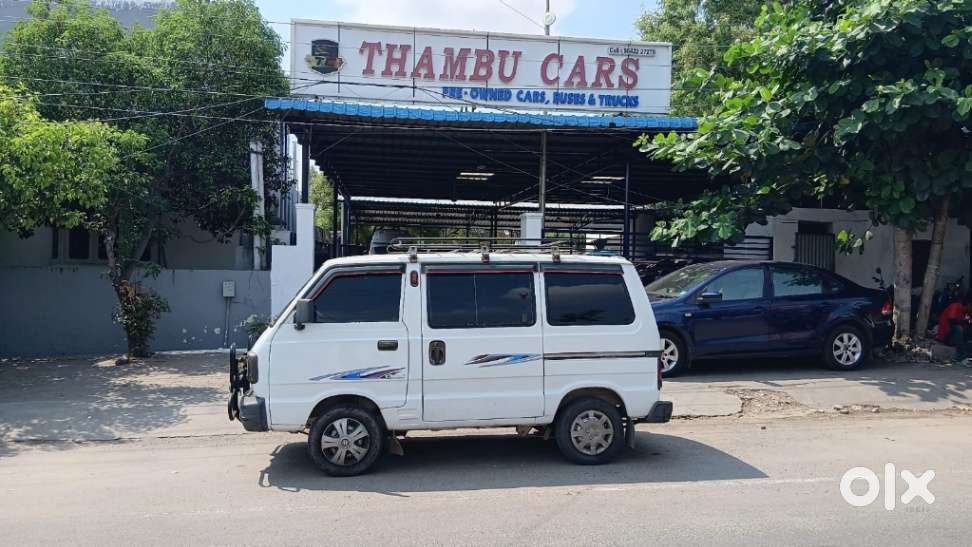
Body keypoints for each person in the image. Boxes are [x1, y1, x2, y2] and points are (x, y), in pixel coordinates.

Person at [937, 294, 971, 360]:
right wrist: (965, 322)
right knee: (958, 328)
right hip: (946, 336)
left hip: (954, 338)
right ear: (969, 305)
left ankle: (965, 350)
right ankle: (960, 354)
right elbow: (952, 320)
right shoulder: (956, 306)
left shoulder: (966, 313)